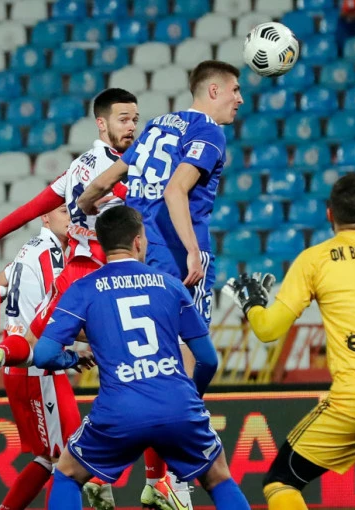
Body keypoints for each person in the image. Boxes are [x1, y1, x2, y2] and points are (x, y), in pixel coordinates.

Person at [77, 59, 243, 507]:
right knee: (187, 363)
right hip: (176, 260)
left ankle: (118, 469)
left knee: (148, 365)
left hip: (140, 254)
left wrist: (86, 204)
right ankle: (177, 475)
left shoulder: (156, 126)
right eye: (234, 90)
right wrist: (192, 250)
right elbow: (175, 190)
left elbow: (109, 177)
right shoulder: (209, 132)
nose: (240, 99)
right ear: (212, 91)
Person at [31, 205, 249, 510]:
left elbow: (43, 354)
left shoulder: (83, 289)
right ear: (138, 241)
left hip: (119, 410)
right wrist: (191, 397)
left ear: (103, 243)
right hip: (176, 404)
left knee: (67, 474)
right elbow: (208, 359)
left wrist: (72, 360)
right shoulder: (170, 284)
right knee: (218, 478)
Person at [0, 88, 138, 510]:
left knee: (54, 456)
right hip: (96, 279)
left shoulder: (79, 166)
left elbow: (28, 210)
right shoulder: (112, 169)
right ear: (101, 123)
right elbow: (138, 205)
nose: (131, 126)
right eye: (123, 119)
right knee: (70, 457)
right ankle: (154, 478)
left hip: (77, 278)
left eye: (135, 119)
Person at [223, 173, 355, 510]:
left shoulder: (315, 259)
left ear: (329, 214)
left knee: (281, 481)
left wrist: (253, 304)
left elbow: (268, 330)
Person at [0, 205, 108, 510]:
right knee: (68, 459)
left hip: (21, 361)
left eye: (72, 213)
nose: (70, 218)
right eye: (62, 211)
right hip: (36, 368)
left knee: (49, 457)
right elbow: (59, 315)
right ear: (45, 217)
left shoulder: (28, 248)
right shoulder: (52, 254)